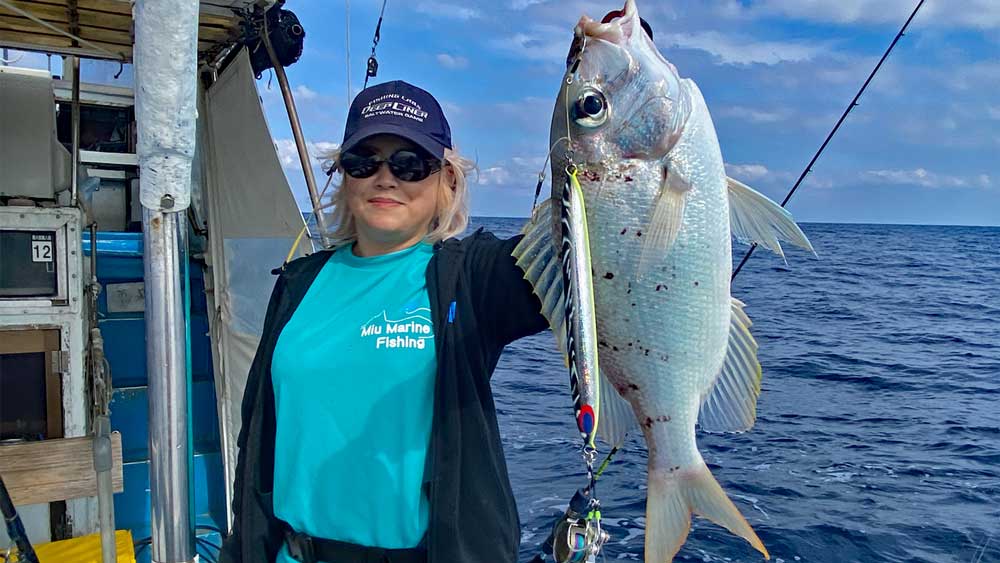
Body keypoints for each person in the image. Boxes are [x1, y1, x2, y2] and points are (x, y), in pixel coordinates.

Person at [219, 80, 549, 563]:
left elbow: (579, 259)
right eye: (363, 161)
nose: (385, 178)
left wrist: (612, 91)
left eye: (410, 163)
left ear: (447, 182)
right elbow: (259, 443)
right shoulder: (298, 283)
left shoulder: (471, 280)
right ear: (344, 177)